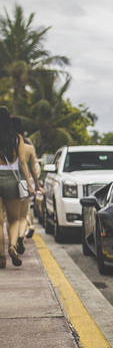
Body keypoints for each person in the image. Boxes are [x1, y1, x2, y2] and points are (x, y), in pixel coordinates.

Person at [0, 106, 35, 268]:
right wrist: (29, 184)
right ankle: (12, 246)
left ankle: (1, 256)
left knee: (0, 222)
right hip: (11, 179)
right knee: (13, 219)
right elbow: (22, 162)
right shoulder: (17, 138)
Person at [12, 117, 43, 255]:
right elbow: (33, 170)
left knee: (11, 218)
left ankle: (10, 244)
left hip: (7, 184)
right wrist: (36, 186)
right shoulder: (29, 148)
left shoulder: (5, 147)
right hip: (24, 184)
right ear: (23, 132)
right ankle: (20, 236)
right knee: (22, 217)